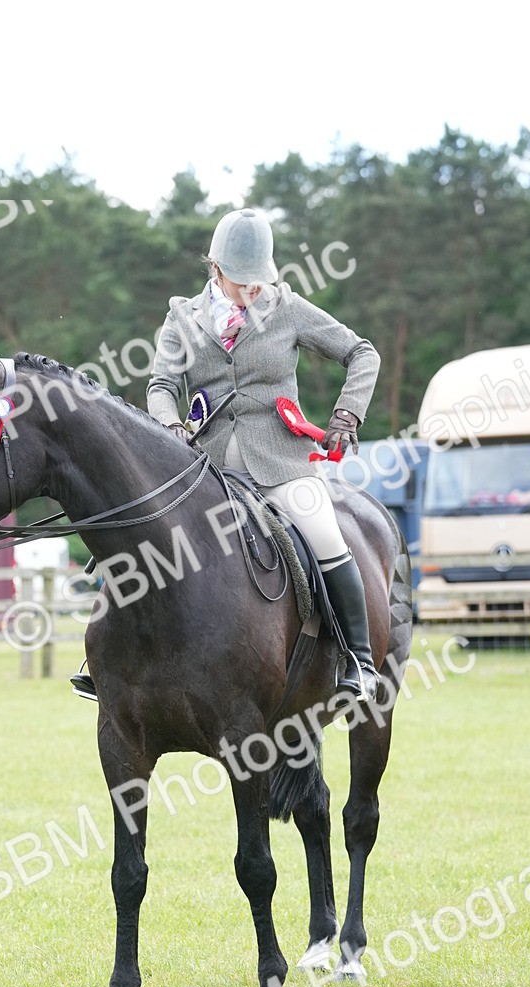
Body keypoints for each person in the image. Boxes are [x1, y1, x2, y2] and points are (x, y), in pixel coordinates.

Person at [145, 207, 381, 703]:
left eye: (258, 284)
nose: (252, 293)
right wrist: (170, 427)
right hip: (204, 465)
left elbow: (362, 352)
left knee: (323, 532)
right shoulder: (182, 318)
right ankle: (114, 657)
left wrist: (347, 415)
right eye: (241, 284)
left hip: (279, 460)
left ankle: (358, 660)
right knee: (147, 534)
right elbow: (163, 384)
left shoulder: (288, 309)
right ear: (216, 269)